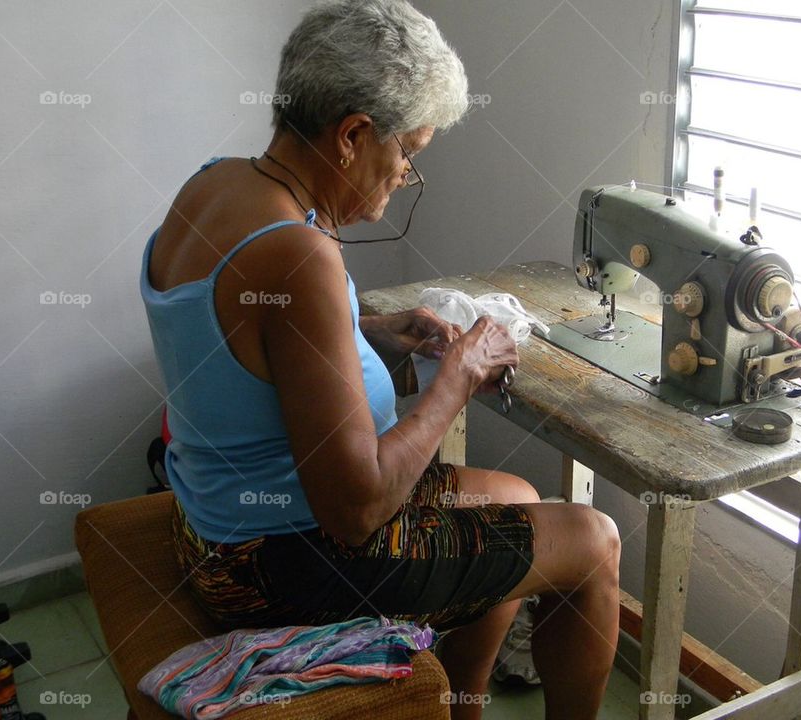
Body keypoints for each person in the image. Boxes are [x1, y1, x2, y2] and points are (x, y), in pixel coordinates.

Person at [140, 1, 620, 718]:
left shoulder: (216, 185)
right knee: (592, 540)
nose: (404, 176)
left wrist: (369, 329)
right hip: (286, 563)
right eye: (408, 155)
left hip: (215, 524)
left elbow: (243, 333)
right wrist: (458, 374)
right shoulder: (300, 256)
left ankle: (456, 707)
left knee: (517, 497)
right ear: (352, 136)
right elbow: (358, 508)